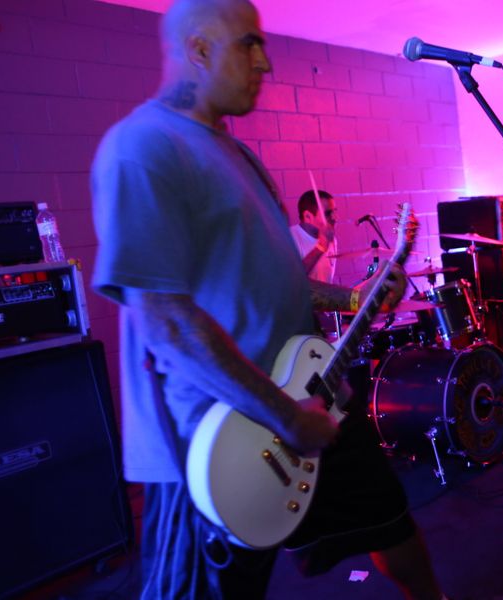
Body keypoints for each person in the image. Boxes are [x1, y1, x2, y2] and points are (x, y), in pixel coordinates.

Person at [90, 1, 448, 598]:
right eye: (249, 44)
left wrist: (352, 296)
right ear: (199, 49)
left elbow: (271, 276)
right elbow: (165, 321)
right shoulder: (143, 147)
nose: (266, 62)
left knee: (390, 522)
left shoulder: (237, 154)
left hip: (308, 397)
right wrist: (282, 415)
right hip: (219, 436)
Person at [289, 189, 338, 282]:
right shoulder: (290, 238)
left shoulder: (331, 238)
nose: (335, 218)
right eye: (327, 213)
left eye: (334, 212)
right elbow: (292, 279)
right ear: (308, 216)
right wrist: (320, 247)